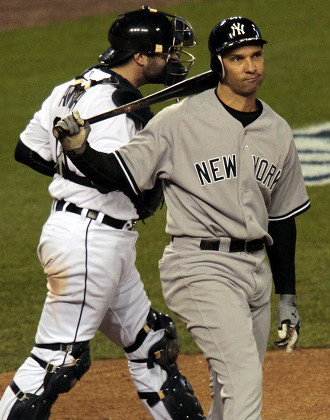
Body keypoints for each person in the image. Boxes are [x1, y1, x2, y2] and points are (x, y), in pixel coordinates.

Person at [53, 16, 311, 420]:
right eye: (238, 57)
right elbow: (124, 173)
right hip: (199, 267)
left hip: (256, 273)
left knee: (231, 390)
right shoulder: (178, 120)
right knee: (243, 381)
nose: (251, 66)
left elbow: (281, 220)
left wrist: (288, 296)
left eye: (257, 55)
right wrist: (81, 149)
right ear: (219, 63)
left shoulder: (277, 131)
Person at [0, 6, 206, 420]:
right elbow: (137, 188)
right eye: (168, 52)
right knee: (55, 363)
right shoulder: (118, 104)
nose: (174, 60)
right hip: (90, 242)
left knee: (152, 343)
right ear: (142, 56)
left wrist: (76, 168)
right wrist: (94, 171)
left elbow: (30, 150)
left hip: (92, 237)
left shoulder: (73, 88)